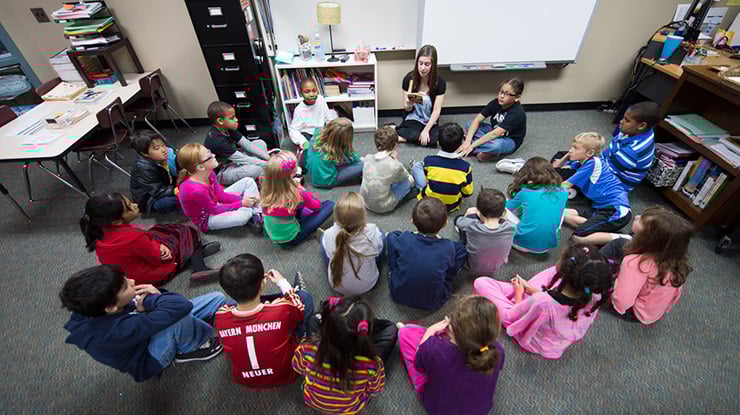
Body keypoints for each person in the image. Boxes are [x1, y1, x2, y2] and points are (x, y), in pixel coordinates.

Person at [60, 265, 225, 382]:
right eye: (125, 286)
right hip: (149, 357)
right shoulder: (116, 331)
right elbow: (181, 306)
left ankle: (190, 329)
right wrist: (152, 299)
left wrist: (154, 299)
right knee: (179, 318)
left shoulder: (93, 307)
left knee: (217, 298)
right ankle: (191, 348)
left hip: (143, 328)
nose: (132, 281)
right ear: (111, 307)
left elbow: (175, 306)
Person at [473, 243, 614, 359]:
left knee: (481, 283)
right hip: (552, 339)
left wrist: (519, 293)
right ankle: (521, 289)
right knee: (549, 275)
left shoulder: (544, 302)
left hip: (534, 336)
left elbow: (516, 318)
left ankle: (517, 291)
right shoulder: (594, 295)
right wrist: (530, 290)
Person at [215, 253, 314, 388]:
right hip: (288, 373)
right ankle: (302, 330)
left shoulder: (220, 316)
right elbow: (299, 307)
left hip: (246, 380)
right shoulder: (281, 309)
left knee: (232, 303)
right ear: (262, 283)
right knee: (304, 297)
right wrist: (282, 282)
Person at [80, 193, 221, 284]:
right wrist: (160, 247)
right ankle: (199, 267)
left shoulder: (99, 232)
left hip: (129, 275)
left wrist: (155, 244)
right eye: (129, 208)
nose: (135, 206)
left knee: (162, 229)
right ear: (116, 221)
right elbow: (160, 258)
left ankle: (192, 252)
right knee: (188, 230)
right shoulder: (134, 237)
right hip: (154, 276)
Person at [398, 296, 505, 415]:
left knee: (405, 332)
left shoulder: (434, 350)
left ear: (451, 328)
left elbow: (419, 365)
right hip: (482, 410)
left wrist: (431, 331)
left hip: (439, 409)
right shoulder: (497, 350)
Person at [292, 296, 398, 414]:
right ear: (365, 333)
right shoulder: (372, 364)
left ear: (326, 328)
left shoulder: (307, 348)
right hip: (350, 408)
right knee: (390, 328)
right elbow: (375, 389)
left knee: (313, 319)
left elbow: (298, 367)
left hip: (312, 399)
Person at [605, 206, 692, 325]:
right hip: (652, 312)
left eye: (641, 221)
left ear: (648, 238)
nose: (636, 217)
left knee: (615, 247)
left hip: (632, 312)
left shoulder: (635, 263)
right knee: (620, 244)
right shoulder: (677, 261)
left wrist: (615, 284)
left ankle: (580, 267)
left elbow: (622, 302)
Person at [388, 197, 467, 311]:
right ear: (445, 224)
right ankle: (445, 277)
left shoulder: (405, 238)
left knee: (392, 236)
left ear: (412, 220)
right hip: (433, 302)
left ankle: (394, 269)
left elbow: (393, 238)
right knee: (461, 250)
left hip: (397, 293)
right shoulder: (448, 246)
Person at [555, 132, 632, 245]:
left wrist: (540, 197)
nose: (570, 150)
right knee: (559, 213)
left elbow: (565, 185)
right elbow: (557, 168)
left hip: (615, 211)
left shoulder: (593, 163)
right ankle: (600, 226)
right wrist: (568, 155)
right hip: (598, 207)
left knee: (578, 237)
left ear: (590, 153)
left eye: (575, 148)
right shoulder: (582, 162)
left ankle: (624, 237)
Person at [177, 143, 264, 233]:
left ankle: (255, 211)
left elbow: (220, 195)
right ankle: (255, 212)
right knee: (244, 216)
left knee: (248, 181)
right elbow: (214, 209)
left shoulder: (209, 172)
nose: (213, 155)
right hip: (207, 218)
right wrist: (241, 203)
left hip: (214, 202)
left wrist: (243, 200)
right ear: (200, 167)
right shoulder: (197, 190)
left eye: (209, 152)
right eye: (209, 156)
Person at [261, 151, 334, 247]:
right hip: (291, 239)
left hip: (275, 234)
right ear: (291, 175)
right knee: (330, 204)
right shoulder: (298, 193)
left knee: (301, 208)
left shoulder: (267, 190)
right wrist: (302, 190)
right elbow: (317, 206)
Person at [320, 192, 384, 296]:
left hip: (336, 285)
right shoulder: (372, 233)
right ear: (363, 216)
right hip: (367, 285)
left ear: (336, 216)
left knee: (325, 241)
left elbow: (329, 254)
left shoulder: (329, 234)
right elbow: (379, 249)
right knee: (381, 237)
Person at [505, 157, 569, 253]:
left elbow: (507, 207)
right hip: (546, 248)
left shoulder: (525, 192)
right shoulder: (564, 191)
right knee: (560, 210)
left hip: (520, 244)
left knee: (502, 208)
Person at [457, 78, 527, 162]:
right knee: (470, 123)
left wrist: (471, 146)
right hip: (494, 130)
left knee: (496, 146)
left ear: (517, 97)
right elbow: (477, 120)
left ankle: (477, 148)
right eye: (501, 92)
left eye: (507, 94)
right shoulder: (495, 102)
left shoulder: (517, 113)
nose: (501, 96)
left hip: (509, 140)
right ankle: (482, 149)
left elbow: (495, 134)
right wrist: (467, 142)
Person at [412, 123, 474, 212]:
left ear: (438, 141)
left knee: (418, 165)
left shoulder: (429, 161)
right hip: (451, 206)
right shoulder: (465, 167)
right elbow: (468, 192)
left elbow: (427, 180)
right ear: (461, 144)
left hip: (427, 202)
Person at [203, 101, 269, 186]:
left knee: (260, 143)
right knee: (255, 169)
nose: (236, 120)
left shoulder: (228, 127)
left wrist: (268, 157)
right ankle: (263, 173)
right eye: (232, 118)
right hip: (224, 170)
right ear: (220, 121)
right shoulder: (217, 140)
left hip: (235, 159)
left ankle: (262, 170)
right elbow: (243, 159)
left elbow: (247, 145)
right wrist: (268, 164)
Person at [453, 188, 516, 277]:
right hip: (494, 268)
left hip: (471, 266)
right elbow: (505, 220)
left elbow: (458, 221)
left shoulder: (472, 225)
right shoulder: (510, 227)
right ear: (502, 213)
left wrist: (469, 213)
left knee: (461, 221)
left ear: (478, 211)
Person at [601, 101, 660, 191]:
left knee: (579, 176)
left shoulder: (633, 151)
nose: (621, 121)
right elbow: (610, 150)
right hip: (613, 163)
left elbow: (606, 170)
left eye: (627, 120)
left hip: (616, 184)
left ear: (642, 125)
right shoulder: (637, 131)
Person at [397, 44, 446, 147]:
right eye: (420, 63)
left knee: (434, 139)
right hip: (413, 117)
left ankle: (404, 139)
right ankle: (407, 136)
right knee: (410, 132)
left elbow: (437, 110)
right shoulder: (408, 79)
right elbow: (406, 108)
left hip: (429, 119)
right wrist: (409, 104)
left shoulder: (440, 82)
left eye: (427, 64)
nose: (423, 68)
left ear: (433, 65)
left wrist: (426, 130)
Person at [360, 126, 415, 213]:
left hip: (364, 201)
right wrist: (395, 159)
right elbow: (407, 178)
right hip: (382, 207)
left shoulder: (368, 157)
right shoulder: (395, 165)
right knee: (409, 181)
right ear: (395, 145)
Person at [129, 130, 180, 214]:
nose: (163, 150)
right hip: (150, 198)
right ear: (145, 153)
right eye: (157, 148)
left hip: (165, 184)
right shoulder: (144, 168)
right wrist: (177, 190)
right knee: (169, 202)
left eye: (163, 145)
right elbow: (156, 191)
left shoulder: (160, 156)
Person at [304, 117, 363, 188]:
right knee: (363, 165)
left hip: (312, 174)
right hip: (327, 181)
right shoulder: (335, 149)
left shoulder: (317, 133)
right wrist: (360, 161)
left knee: (349, 159)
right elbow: (350, 154)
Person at [288, 78, 337, 151]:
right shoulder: (299, 110)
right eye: (307, 92)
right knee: (312, 150)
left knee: (335, 144)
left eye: (314, 91)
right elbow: (294, 130)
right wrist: (303, 142)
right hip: (308, 133)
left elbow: (329, 118)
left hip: (321, 131)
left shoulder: (321, 100)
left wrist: (331, 130)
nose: (311, 94)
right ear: (301, 93)